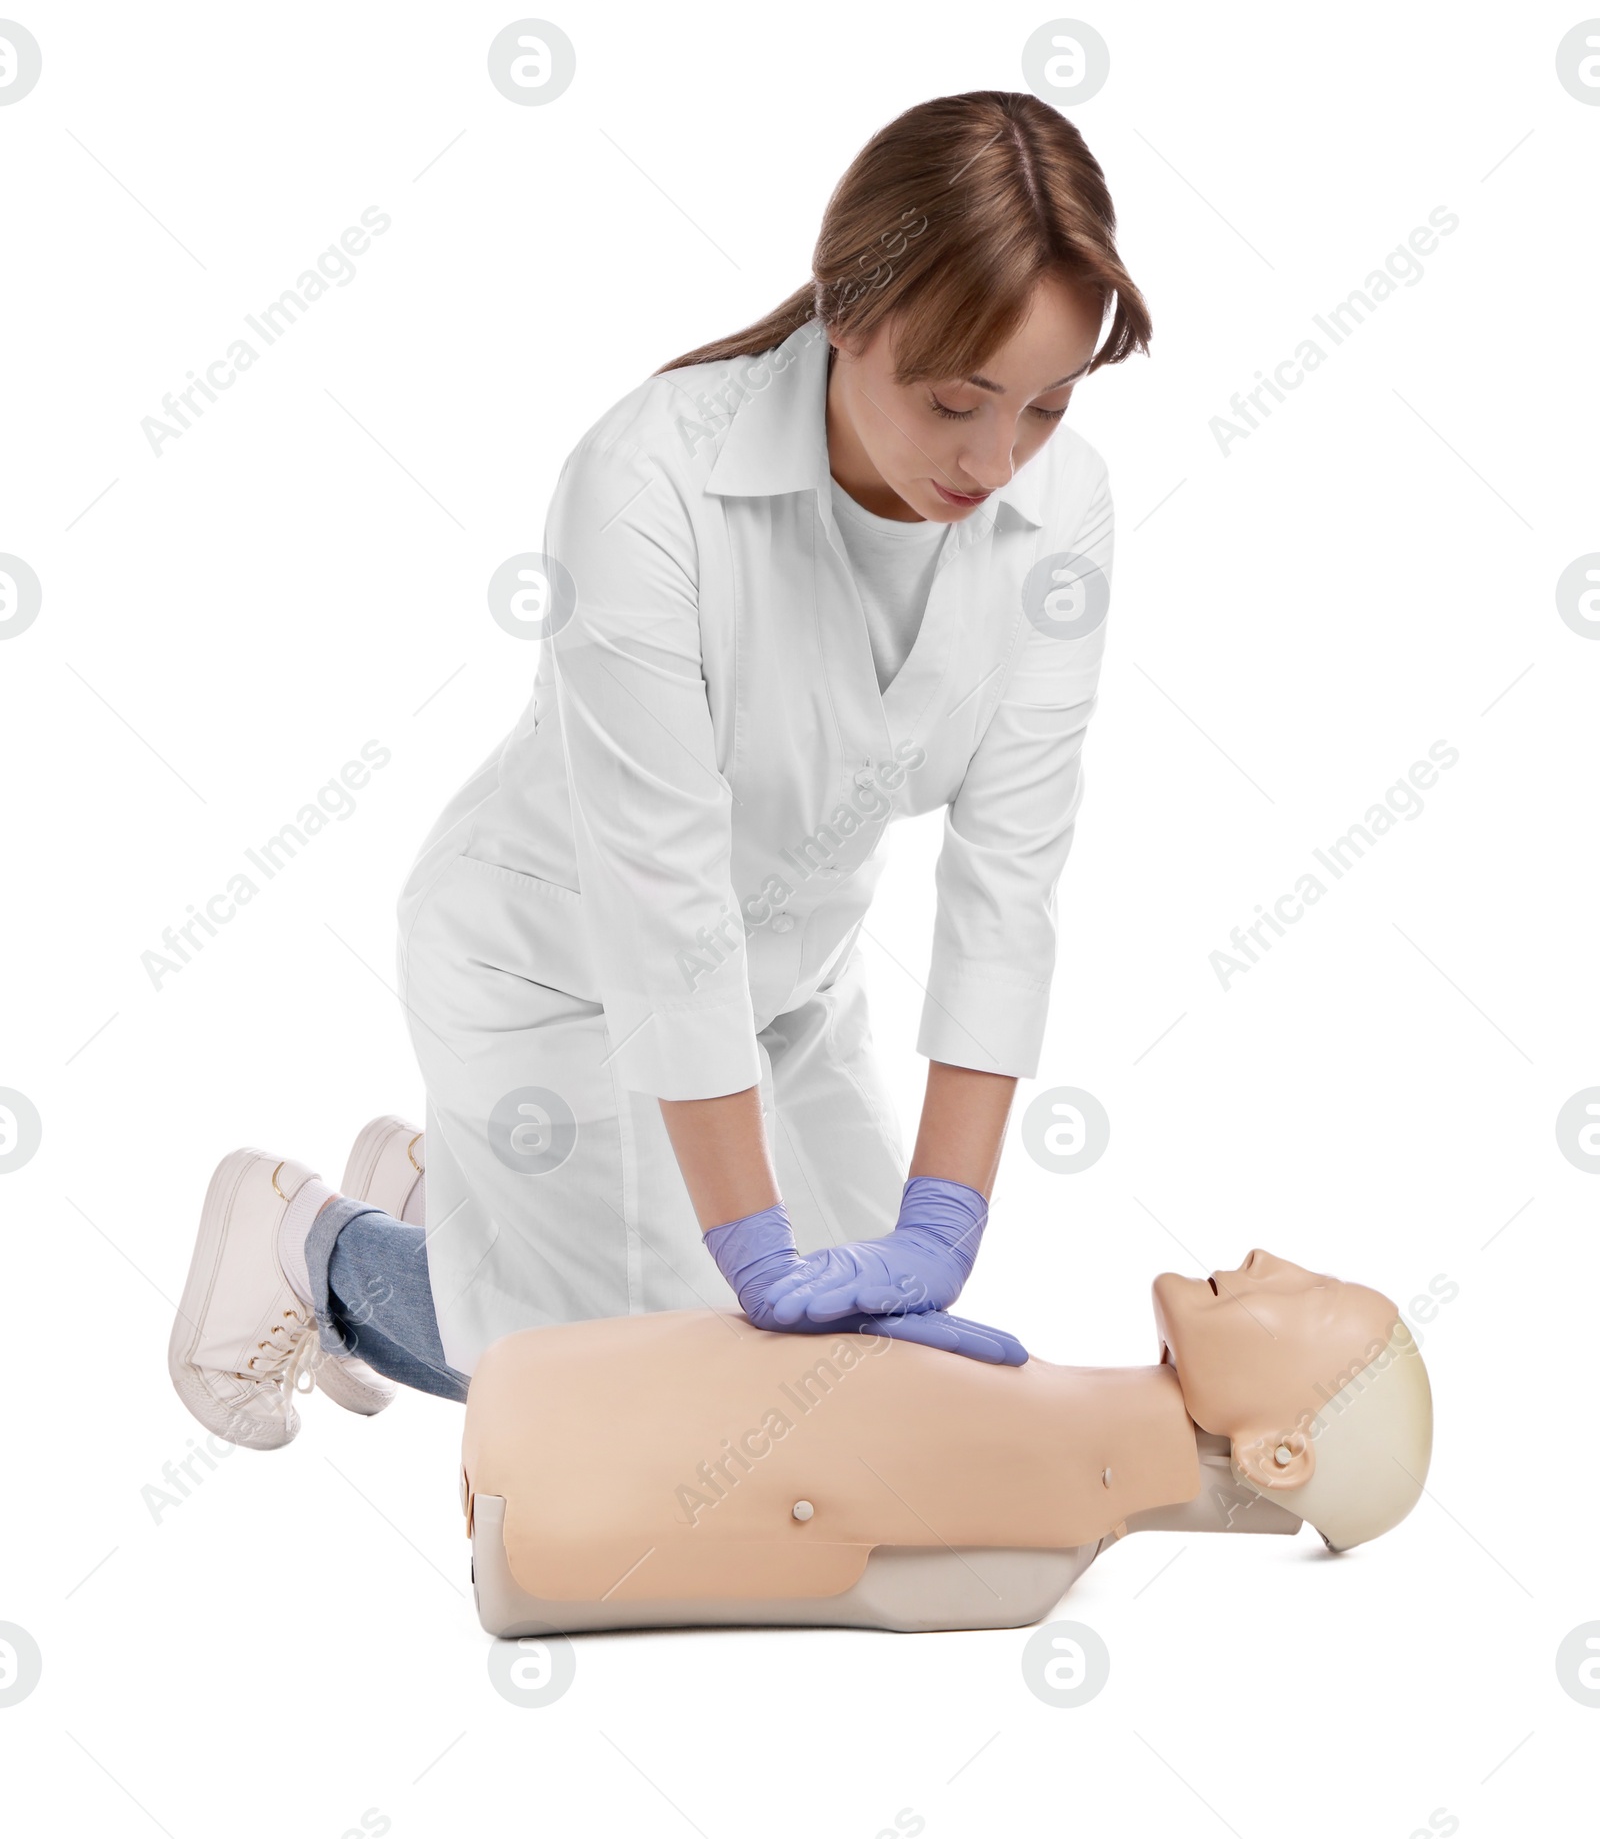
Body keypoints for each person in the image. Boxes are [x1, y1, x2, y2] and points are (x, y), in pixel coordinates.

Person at [168, 89, 1153, 1450]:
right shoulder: (650, 478)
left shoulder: (1064, 503)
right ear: (846, 315)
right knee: (675, 1422)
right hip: (556, 966)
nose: (997, 461)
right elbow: (666, 893)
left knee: (882, 1407)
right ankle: (313, 1249)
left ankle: (454, 1199)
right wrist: (748, 1250)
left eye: (1045, 405)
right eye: (954, 401)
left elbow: (1011, 877)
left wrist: (947, 1215)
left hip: (784, 997)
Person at [459, 1249, 1434, 1635]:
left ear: (1277, 1458)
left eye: (1311, 1297)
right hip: (525, 1450)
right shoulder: (1050, 1457)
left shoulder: (1047, 1507)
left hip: (529, 1495)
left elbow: (808, 1521)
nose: (1273, 1260)